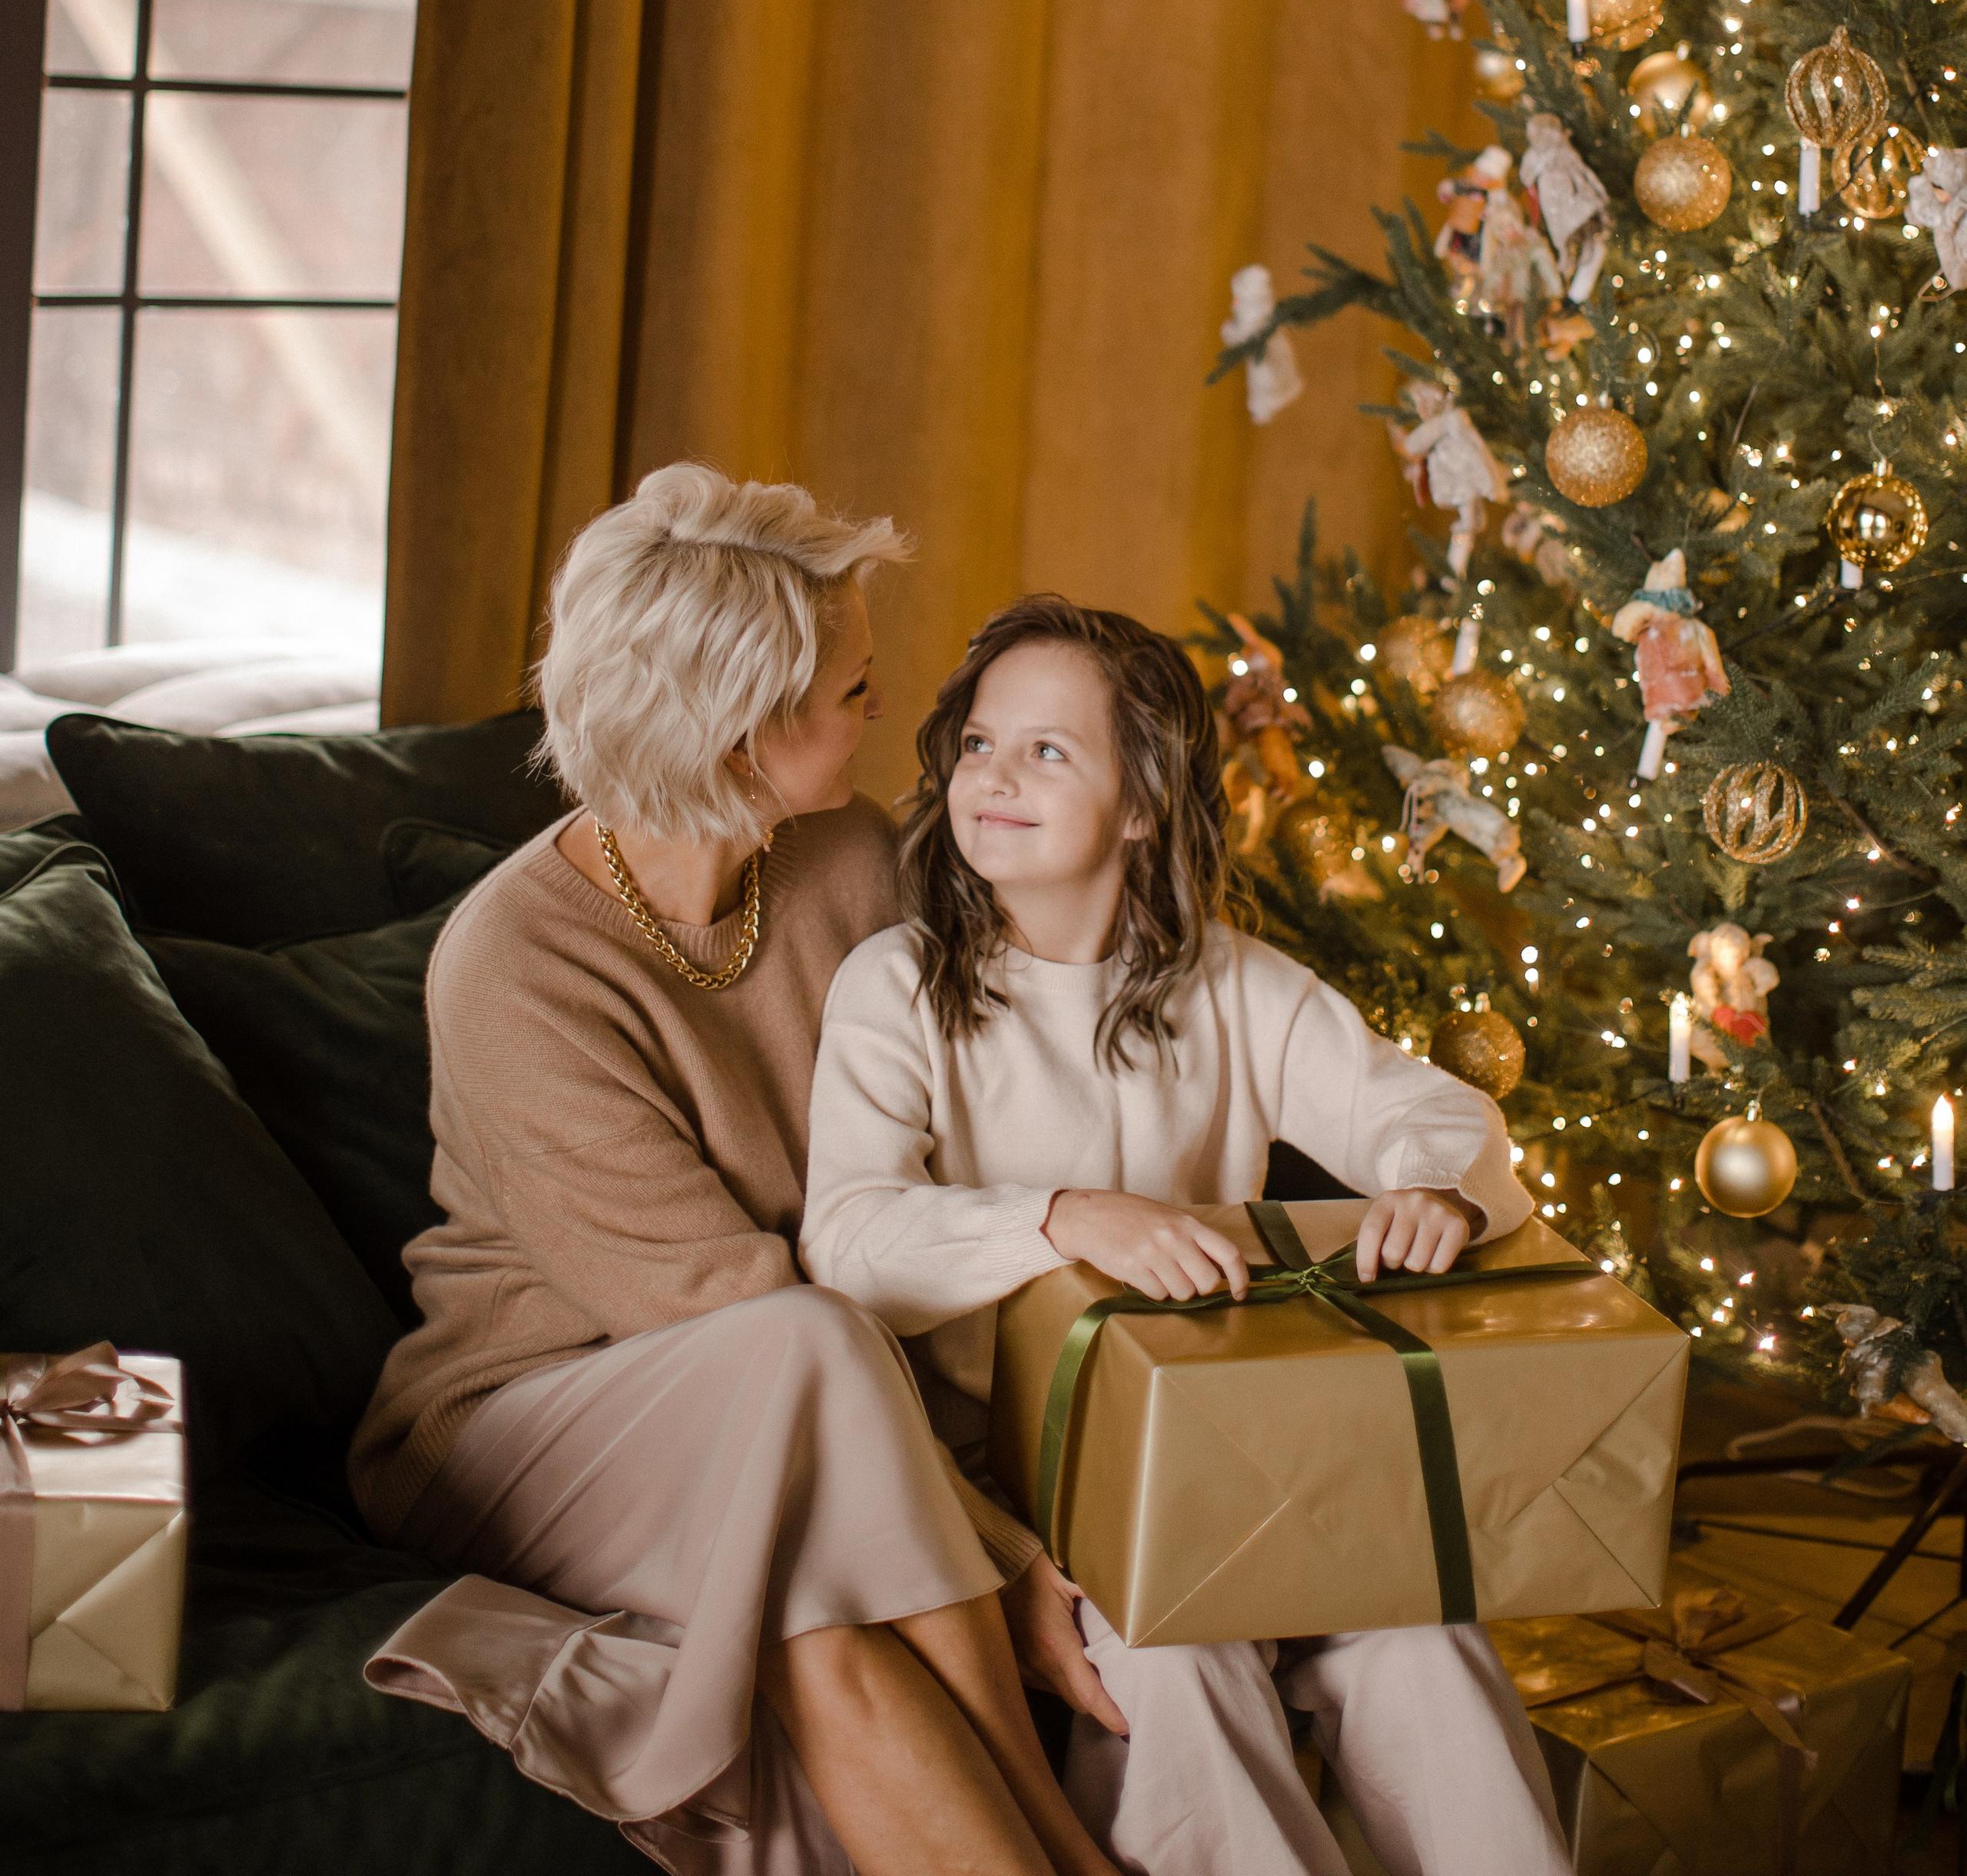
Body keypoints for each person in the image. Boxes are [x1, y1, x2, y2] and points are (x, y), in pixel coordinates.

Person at [350, 466, 1119, 1876]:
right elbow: (719, 1302)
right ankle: (1064, 1833)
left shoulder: (847, 862)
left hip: (793, 1409)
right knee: (796, 1340)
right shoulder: (513, 962)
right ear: (742, 732)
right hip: (531, 1418)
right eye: (852, 690)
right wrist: (1004, 1557)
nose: (882, 710)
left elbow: (1007, 1085)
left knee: (815, 1642)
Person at [800, 595, 1574, 1876]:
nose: (995, 779)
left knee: (1426, 1640)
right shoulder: (900, 984)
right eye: (982, 744)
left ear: (1145, 802)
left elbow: (1429, 1109)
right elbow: (853, 1240)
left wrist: (1433, 1185)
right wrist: (1061, 1217)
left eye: (1050, 752)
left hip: (1251, 1465)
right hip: (1028, 1498)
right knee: (1181, 1655)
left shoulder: (1233, 986)